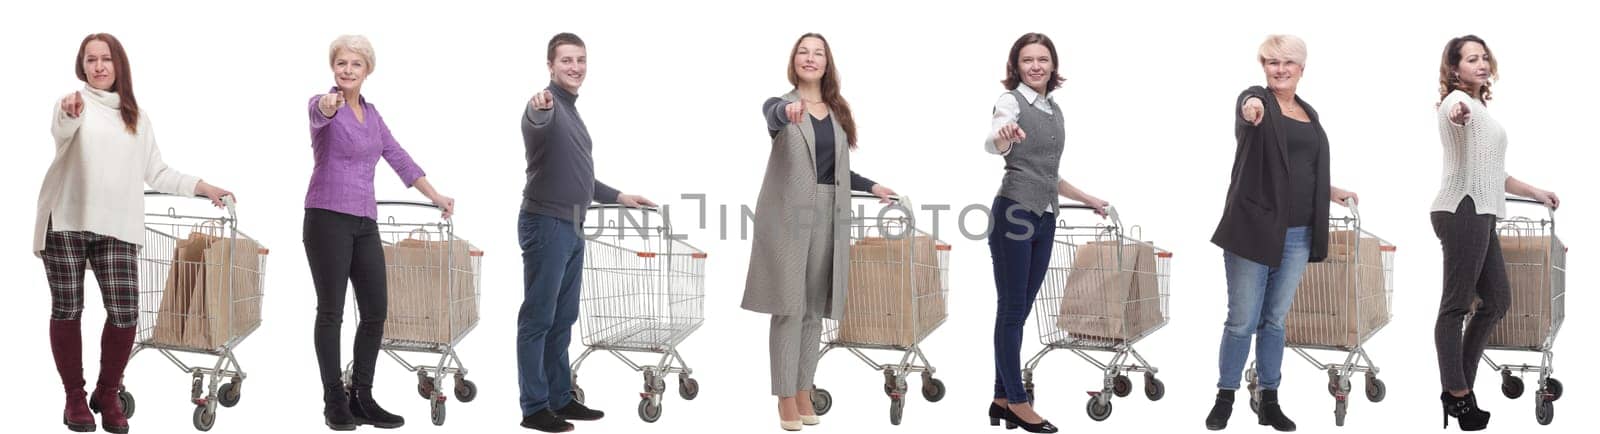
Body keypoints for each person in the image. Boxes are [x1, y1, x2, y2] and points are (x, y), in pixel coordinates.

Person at [36, 33, 234, 434]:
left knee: (126, 315)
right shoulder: (73, 105)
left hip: (117, 227)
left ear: (119, 64)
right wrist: (69, 112)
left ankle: (107, 392)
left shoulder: (137, 118)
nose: (98, 66)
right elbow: (61, 128)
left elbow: (158, 173)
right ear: (82, 66)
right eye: (90, 60)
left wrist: (204, 186)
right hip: (68, 222)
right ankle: (74, 396)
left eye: (105, 59)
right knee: (68, 309)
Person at [740, 33, 896, 431]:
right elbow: (773, 113)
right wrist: (786, 110)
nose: (810, 59)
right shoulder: (782, 106)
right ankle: (785, 397)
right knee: (788, 308)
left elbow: (838, 170)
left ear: (827, 64)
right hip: (791, 217)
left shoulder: (838, 111)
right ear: (794, 61)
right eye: (803, 53)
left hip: (831, 212)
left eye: (818, 53)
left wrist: (872, 186)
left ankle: (805, 388)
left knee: (813, 311)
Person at [1204, 34, 1360, 432]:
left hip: (1298, 233)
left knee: (1274, 321)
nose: (1280, 69)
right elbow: (1247, 107)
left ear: (1301, 68)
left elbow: (1300, 169)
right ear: (1264, 67)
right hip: (1254, 229)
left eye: (1288, 62)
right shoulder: (1258, 99)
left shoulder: (1309, 113)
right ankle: (1225, 396)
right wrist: (1252, 109)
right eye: (1272, 62)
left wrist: (1331, 192)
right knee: (1242, 320)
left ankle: (1269, 399)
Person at [304, 34, 455, 431]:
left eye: (355, 64)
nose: (347, 70)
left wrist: (435, 195)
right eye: (341, 64)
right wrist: (328, 102)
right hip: (326, 217)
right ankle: (334, 399)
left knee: (375, 311)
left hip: (364, 222)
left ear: (367, 70)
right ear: (333, 68)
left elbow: (398, 156)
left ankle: (362, 397)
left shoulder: (373, 116)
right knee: (331, 311)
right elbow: (320, 110)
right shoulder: (324, 105)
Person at [516, 32, 656, 433]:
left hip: (572, 224)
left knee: (563, 318)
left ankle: (561, 397)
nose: (575, 67)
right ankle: (534, 407)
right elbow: (535, 120)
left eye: (580, 60)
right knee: (538, 318)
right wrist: (537, 108)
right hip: (545, 224)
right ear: (550, 66)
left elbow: (579, 176)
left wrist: (619, 196)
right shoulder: (547, 106)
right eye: (566, 61)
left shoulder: (572, 110)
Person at [1430, 34, 1560, 431]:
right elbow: (1453, 109)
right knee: (1455, 306)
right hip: (1461, 209)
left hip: (1483, 212)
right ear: (1455, 69)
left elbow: (1495, 174)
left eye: (1483, 57)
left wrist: (1535, 191)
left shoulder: (1481, 107)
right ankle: (1458, 395)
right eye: (1471, 59)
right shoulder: (1459, 103)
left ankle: (1459, 388)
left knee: (1497, 299)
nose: (1481, 64)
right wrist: (1458, 113)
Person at [983, 32, 1109, 434]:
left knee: (1020, 309)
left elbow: (1049, 173)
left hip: (1045, 216)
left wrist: (1087, 197)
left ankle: (1001, 399)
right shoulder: (1010, 102)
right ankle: (1018, 402)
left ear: (1053, 65)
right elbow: (994, 138)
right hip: (1014, 213)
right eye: (1026, 60)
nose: (1035, 66)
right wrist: (1003, 139)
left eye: (1042, 59)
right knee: (1011, 309)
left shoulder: (1054, 109)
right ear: (1015, 66)